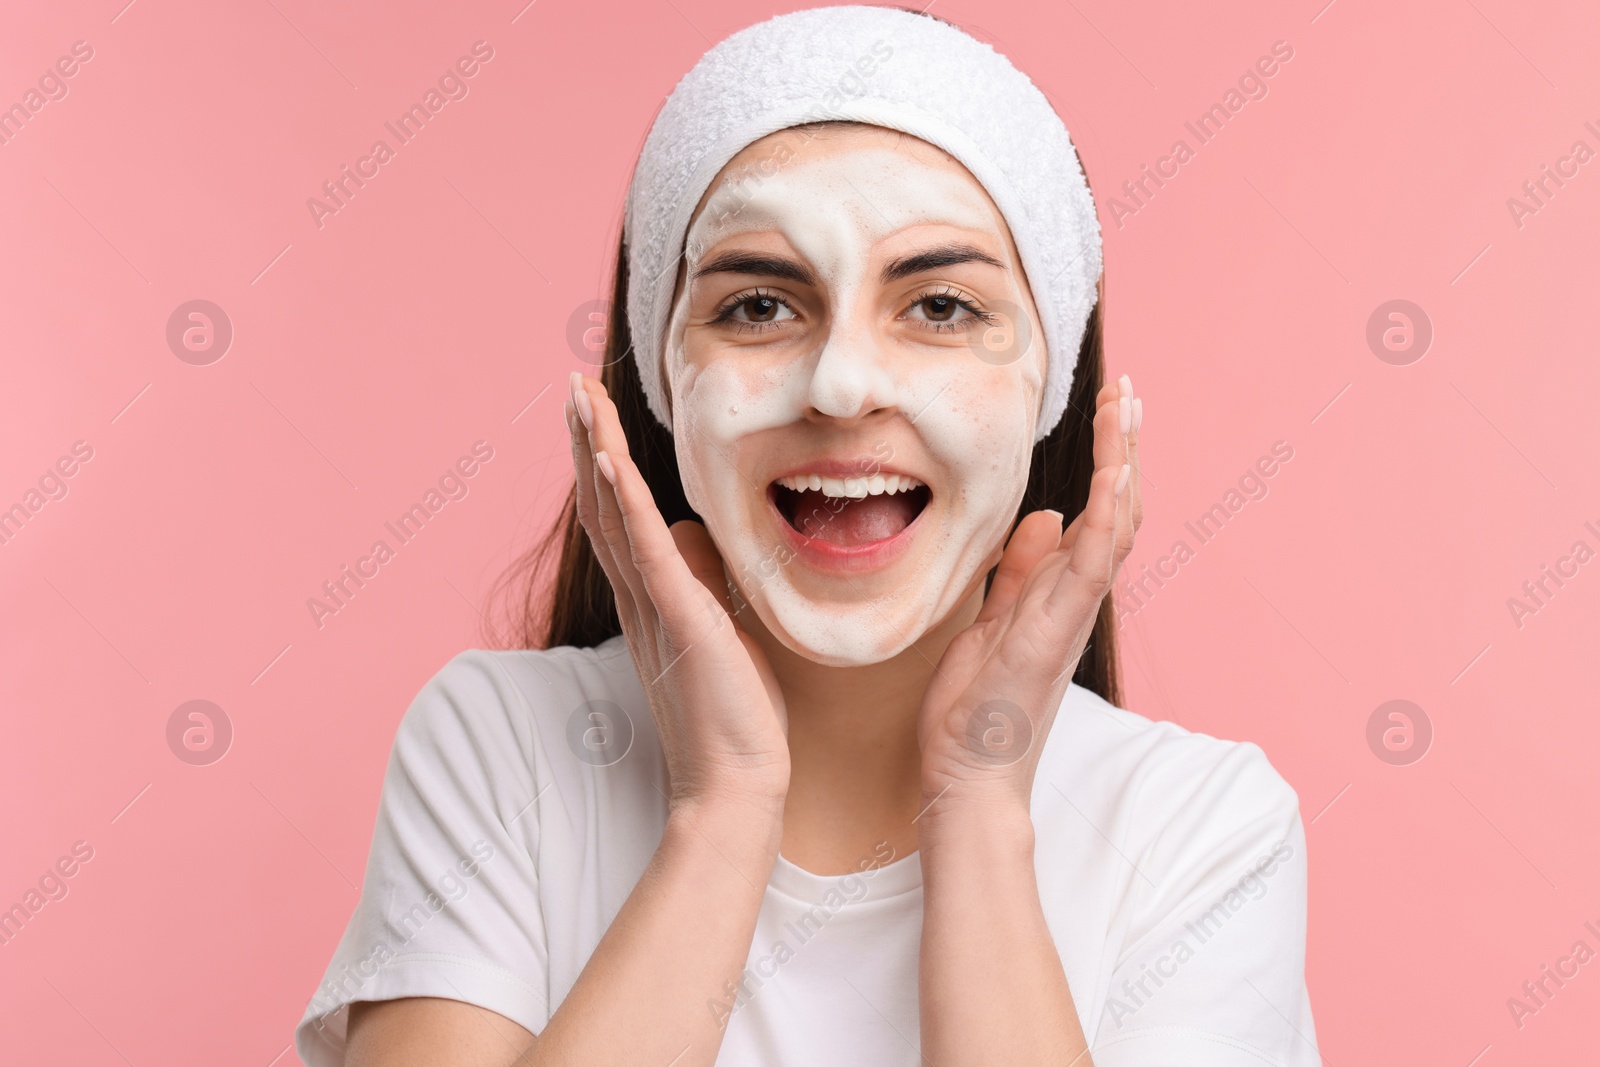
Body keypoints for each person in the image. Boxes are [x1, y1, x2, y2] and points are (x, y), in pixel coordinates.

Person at [295, 7, 1318, 1065]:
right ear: (658, 380)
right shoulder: (503, 748)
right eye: (755, 308)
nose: (838, 386)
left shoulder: (1201, 829)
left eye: (938, 305)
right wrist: (722, 803)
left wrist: (977, 799)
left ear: (1048, 389)